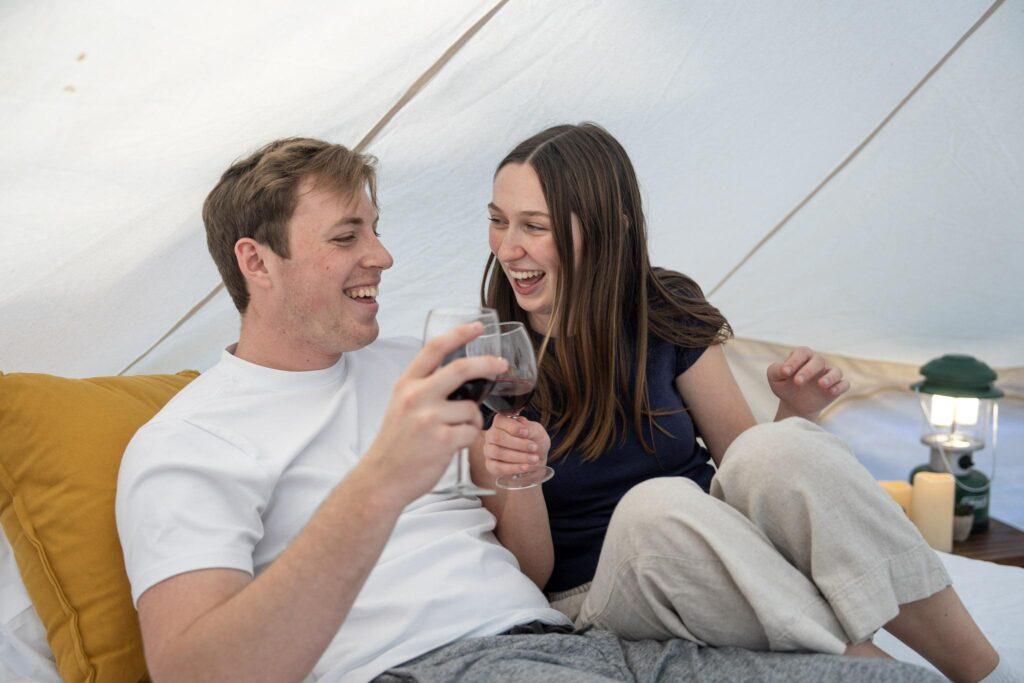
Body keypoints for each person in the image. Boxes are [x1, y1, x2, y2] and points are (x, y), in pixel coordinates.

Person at [115, 137, 942, 683]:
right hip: (437, 665)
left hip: (582, 639)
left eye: (376, 228)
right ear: (257, 261)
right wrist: (379, 482)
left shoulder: (426, 363)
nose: (383, 255)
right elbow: (193, 672)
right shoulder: (187, 442)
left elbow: (530, 568)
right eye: (347, 237)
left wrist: (513, 475)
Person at [474, 122, 1016, 683]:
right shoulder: (486, 359)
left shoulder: (664, 306)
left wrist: (797, 409)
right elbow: (530, 576)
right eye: (497, 220)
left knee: (776, 447)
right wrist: (522, 476)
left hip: (726, 555)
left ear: (608, 228)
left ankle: (986, 672)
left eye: (533, 226)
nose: (508, 248)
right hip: (600, 593)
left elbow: (746, 466)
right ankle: (889, 672)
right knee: (655, 508)